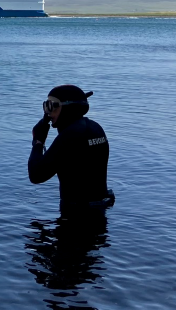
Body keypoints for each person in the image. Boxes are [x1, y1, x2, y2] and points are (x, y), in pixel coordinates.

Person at [28, 85, 114, 217]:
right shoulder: (95, 128)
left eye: (52, 106)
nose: (48, 112)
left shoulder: (70, 136)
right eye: (46, 105)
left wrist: (38, 142)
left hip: (75, 219)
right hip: (99, 212)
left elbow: (36, 175)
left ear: (67, 108)